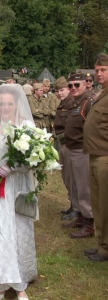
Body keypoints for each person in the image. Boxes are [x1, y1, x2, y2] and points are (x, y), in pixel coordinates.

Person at [0, 84, 37, 300]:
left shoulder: (26, 126)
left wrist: (13, 168)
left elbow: (33, 159)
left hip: (16, 186)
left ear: (16, 104)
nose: (5, 107)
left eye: (9, 103)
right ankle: (0, 277)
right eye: (1, 103)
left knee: (13, 230)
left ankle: (17, 282)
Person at [62, 73, 94, 238]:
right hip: (72, 148)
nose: (73, 88)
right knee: (75, 185)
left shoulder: (89, 102)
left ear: (85, 85)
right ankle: (81, 216)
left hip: (82, 150)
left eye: (77, 85)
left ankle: (90, 222)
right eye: (70, 86)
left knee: (84, 187)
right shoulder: (76, 102)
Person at [83, 53, 108, 261]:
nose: (99, 74)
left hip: (105, 158)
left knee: (105, 204)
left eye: (103, 70)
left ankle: (106, 247)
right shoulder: (101, 94)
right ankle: (101, 244)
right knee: (98, 204)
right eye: (97, 70)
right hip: (95, 155)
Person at [53, 77, 76, 220]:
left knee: (73, 177)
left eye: (62, 90)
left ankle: (77, 208)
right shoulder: (63, 103)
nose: (59, 93)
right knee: (67, 176)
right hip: (63, 143)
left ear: (68, 89)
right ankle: (73, 205)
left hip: (70, 144)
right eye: (57, 91)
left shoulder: (72, 103)